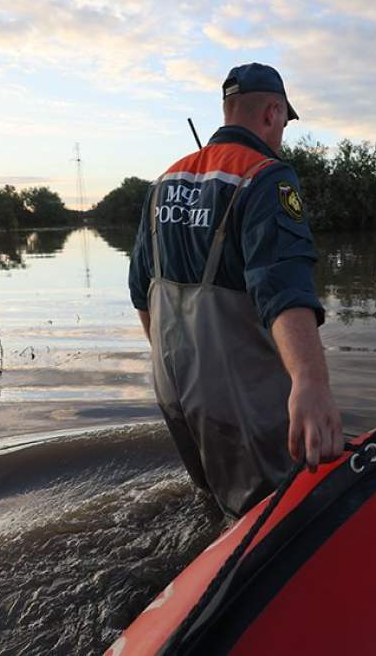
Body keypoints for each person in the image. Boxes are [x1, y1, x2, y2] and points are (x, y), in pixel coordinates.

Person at [128, 63, 343, 518]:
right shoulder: (268, 177)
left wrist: (183, 368)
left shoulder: (163, 182)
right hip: (238, 394)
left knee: (213, 507)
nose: (282, 132)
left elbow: (139, 291)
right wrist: (311, 380)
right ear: (272, 112)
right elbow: (282, 284)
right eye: (284, 121)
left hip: (172, 385)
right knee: (272, 521)